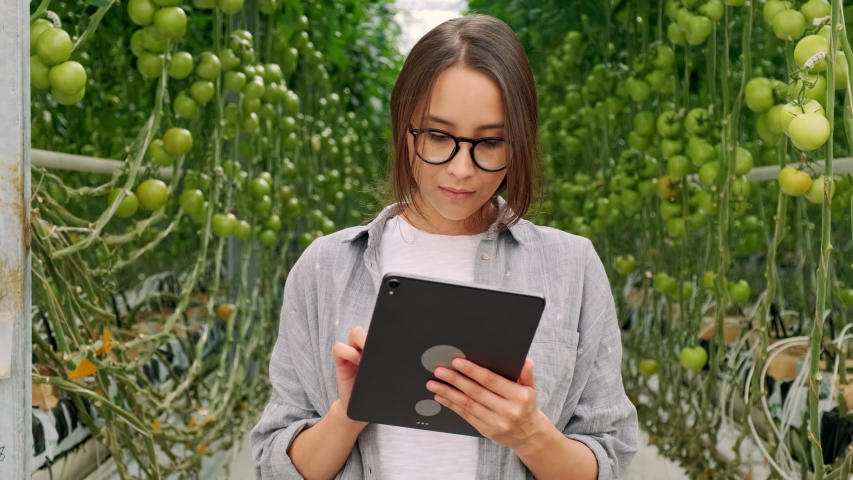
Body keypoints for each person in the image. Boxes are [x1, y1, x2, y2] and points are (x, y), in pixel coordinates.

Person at [252, 13, 638, 480]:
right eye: (438, 136)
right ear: (404, 126)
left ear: (519, 141)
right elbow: (273, 464)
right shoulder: (324, 268)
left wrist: (529, 434)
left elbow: (612, 459)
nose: (460, 169)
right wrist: (349, 413)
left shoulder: (572, 266)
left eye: (490, 141)